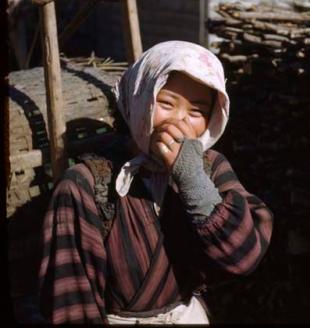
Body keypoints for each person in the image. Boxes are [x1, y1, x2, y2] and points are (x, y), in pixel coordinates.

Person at [38, 41, 274, 324]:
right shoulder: (85, 186)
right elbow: (71, 303)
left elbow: (245, 256)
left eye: (196, 111)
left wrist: (194, 182)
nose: (178, 121)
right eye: (166, 104)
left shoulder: (210, 168)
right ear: (138, 102)